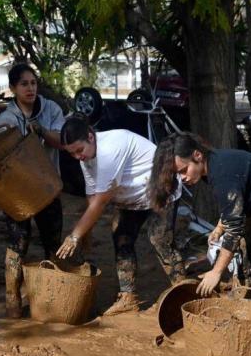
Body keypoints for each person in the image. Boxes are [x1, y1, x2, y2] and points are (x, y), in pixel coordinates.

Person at [148, 132, 251, 346]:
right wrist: (220, 226)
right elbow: (235, 203)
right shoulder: (212, 169)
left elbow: (235, 227)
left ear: (197, 156)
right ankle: (242, 320)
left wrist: (216, 272)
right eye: (177, 174)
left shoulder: (222, 170)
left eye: (183, 171)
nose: (182, 178)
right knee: (242, 264)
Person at [57, 117, 186, 316]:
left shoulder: (110, 149)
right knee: (121, 238)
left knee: (159, 240)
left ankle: (184, 295)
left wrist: (75, 236)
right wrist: (86, 233)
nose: (77, 157)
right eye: (71, 153)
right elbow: (91, 197)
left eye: (79, 150)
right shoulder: (87, 159)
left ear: (90, 137)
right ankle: (128, 297)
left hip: (161, 189)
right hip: (131, 197)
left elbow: (100, 202)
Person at [0, 63, 66, 318]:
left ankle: (52, 299)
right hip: (17, 194)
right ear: (13, 89)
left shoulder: (51, 109)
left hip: (48, 189)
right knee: (17, 246)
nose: (30, 88)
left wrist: (42, 131)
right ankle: (13, 301)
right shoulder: (6, 119)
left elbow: (62, 141)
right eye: (24, 84)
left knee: (53, 245)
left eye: (33, 83)